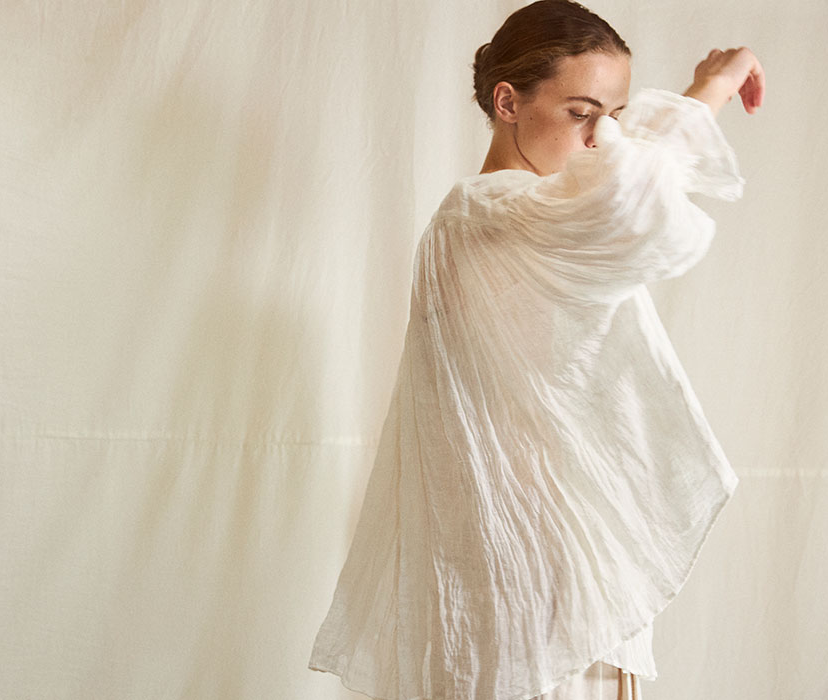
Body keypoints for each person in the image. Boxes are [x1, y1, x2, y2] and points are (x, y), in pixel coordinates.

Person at [306, 1, 765, 699]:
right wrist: (712, 88)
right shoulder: (489, 214)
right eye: (581, 112)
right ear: (508, 102)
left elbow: (622, 194)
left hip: (563, 578)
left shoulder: (539, 221)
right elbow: (634, 205)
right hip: (526, 588)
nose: (601, 138)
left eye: (615, 117)